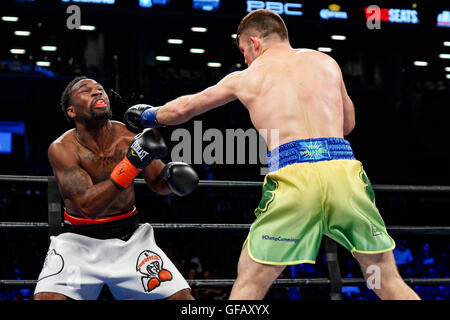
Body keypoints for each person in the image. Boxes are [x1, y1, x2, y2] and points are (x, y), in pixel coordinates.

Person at [123, 9, 420, 300]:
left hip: (295, 177)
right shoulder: (326, 62)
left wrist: (147, 116)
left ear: (253, 42)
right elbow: (348, 124)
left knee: (251, 281)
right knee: (385, 277)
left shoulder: (246, 77)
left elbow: (183, 109)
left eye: (243, 50)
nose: (245, 58)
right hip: (344, 171)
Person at [34, 76, 199, 300]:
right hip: (78, 242)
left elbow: (157, 183)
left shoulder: (128, 137)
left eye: (100, 89)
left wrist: (173, 180)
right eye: (86, 90)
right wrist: (130, 165)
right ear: (71, 111)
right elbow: (88, 207)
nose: (97, 92)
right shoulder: (62, 149)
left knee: (183, 299)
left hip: (130, 239)